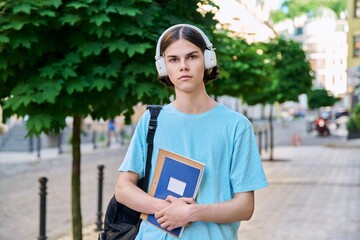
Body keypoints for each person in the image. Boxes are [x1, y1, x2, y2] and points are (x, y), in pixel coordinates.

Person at [115, 23, 268, 240]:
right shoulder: (151, 121)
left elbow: (245, 207)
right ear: (163, 67)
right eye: (173, 59)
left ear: (208, 61)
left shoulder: (237, 126)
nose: (183, 66)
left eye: (192, 57)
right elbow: (123, 188)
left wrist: (191, 213)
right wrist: (168, 209)